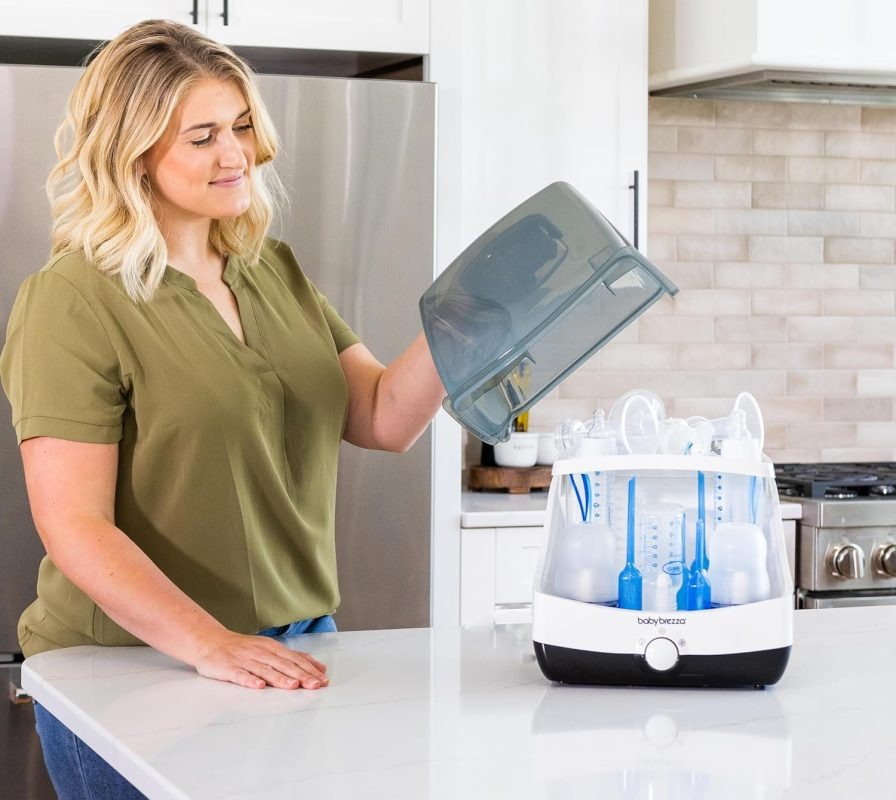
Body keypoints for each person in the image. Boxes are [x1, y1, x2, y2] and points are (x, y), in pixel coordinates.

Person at [0, 19, 446, 798]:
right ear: (133, 152)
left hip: (295, 649)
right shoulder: (72, 299)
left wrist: (468, 327)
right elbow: (73, 522)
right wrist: (208, 642)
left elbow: (382, 415)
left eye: (240, 126)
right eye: (202, 136)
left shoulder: (271, 269)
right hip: (130, 669)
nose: (236, 153)